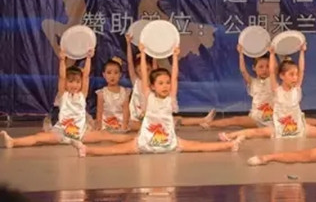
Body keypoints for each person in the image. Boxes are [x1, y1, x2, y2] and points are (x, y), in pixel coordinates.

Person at [69, 44, 241, 156]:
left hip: (168, 141)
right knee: (115, 150)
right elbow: (144, 75)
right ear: (152, 86)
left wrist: (175, 57)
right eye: (160, 83)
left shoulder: (170, 98)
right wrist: (143, 54)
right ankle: (87, 149)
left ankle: (230, 145)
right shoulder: (148, 96)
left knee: (199, 146)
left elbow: (174, 77)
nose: (165, 86)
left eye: (167, 83)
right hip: (146, 141)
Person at [1, 50, 134, 148]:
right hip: (62, 132)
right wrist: (62, 60)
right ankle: (13, 141)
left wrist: (88, 58)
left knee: (107, 136)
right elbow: (62, 76)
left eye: (77, 82)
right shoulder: (63, 94)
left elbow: (86, 76)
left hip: (81, 133)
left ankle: (136, 139)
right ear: (66, 83)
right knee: (39, 137)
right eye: (71, 81)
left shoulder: (82, 95)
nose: (74, 85)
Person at [220, 45, 316, 141]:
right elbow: (272, 72)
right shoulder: (277, 90)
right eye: (291, 74)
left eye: (296, 75)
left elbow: (302, 70)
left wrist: (302, 52)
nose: (295, 78)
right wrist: (272, 54)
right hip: (279, 128)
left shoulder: (296, 89)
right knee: (256, 132)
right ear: (281, 76)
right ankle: (229, 135)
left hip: (298, 127)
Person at [95, 58, 131, 132]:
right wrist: (99, 126)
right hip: (106, 123)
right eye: (109, 73)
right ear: (104, 75)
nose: (112, 76)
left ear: (120, 74)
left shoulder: (125, 92)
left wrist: (124, 126)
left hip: (120, 123)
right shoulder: (101, 93)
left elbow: (126, 111)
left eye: (116, 73)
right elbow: (99, 112)